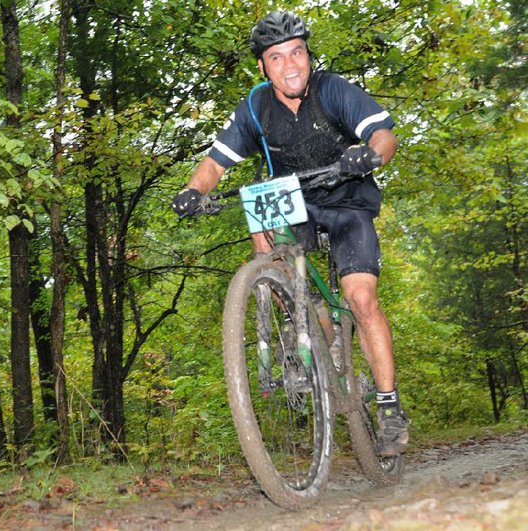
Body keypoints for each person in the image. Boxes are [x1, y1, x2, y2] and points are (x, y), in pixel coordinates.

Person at [171, 10, 408, 456]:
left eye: (297, 52)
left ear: (308, 55)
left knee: (360, 298)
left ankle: (389, 404)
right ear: (263, 66)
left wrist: (371, 157)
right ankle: (303, 320)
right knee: (261, 238)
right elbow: (214, 164)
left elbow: (383, 134)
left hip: (347, 199)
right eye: (277, 58)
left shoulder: (332, 89)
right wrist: (192, 191)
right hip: (294, 200)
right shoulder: (256, 107)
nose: (291, 65)